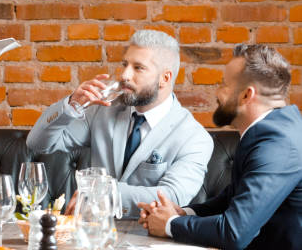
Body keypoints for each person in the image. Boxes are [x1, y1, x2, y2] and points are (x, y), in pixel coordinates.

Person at [26, 30, 213, 218]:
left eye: (138, 68)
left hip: (150, 239)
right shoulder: (103, 110)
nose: (124, 75)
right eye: (125, 64)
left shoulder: (195, 138)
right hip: (93, 234)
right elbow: (38, 143)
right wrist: (71, 106)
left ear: (165, 78)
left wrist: (102, 192)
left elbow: (172, 198)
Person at [138, 44, 302, 249]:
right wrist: (183, 213)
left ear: (246, 95)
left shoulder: (278, 145)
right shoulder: (272, 129)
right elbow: (232, 196)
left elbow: (234, 232)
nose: (218, 92)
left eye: (224, 84)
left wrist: (170, 225)